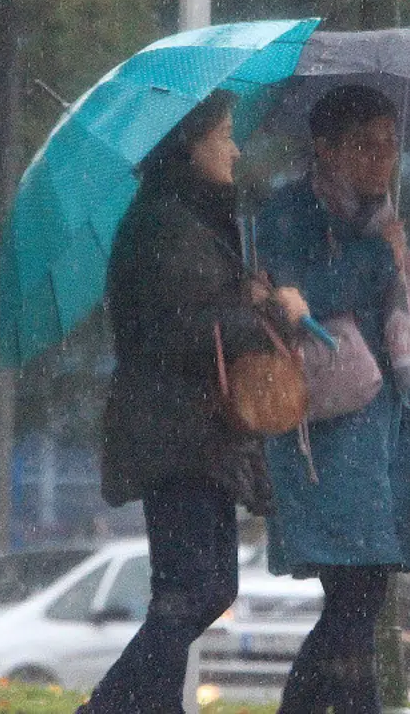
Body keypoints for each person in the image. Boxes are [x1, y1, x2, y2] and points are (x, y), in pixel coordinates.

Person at [83, 89, 308, 714]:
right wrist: (265, 310)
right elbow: (183, 330)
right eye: (225, 135)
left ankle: (148, 705)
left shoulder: (187, 218)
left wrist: (246, 291)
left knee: (199, 587)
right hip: (175, 433)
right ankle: (109, 706)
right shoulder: (165, 222)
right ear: (192, 142)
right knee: (196, 587)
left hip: (192, 431)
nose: (235, 149)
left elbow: (196, 309)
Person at [257, 84, 410, 714]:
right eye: (365, 146)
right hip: (324, 445)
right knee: (352, 608)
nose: (381, 159)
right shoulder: (288, 215)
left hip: (386, 448)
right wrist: (374, 257)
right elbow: (292, 301)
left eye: (390, 145)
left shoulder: (384, 219)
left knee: (356, 614)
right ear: (325, 149)